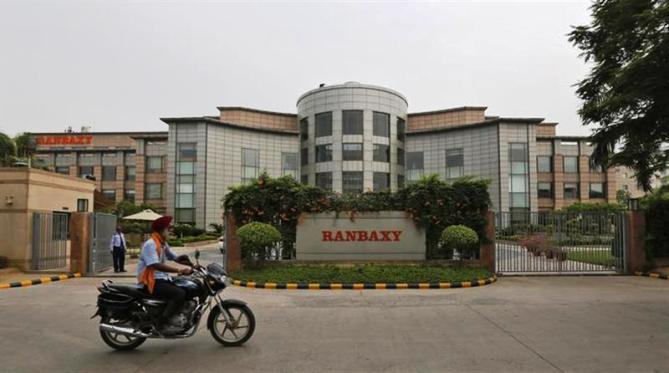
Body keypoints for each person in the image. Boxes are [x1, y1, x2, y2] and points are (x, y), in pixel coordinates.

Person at [137, 216, 192, 332]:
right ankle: (162, 323)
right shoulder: (151, 244)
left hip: (161, 279)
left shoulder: (162, 243)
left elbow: (174, 257)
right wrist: (179, 271)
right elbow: (155, 265)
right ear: (162, 230)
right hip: (151, 281)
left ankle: (178, 316)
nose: (170, 230)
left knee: (186, 288)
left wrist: (192, 265)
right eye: (168, 228)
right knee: (179, 294)